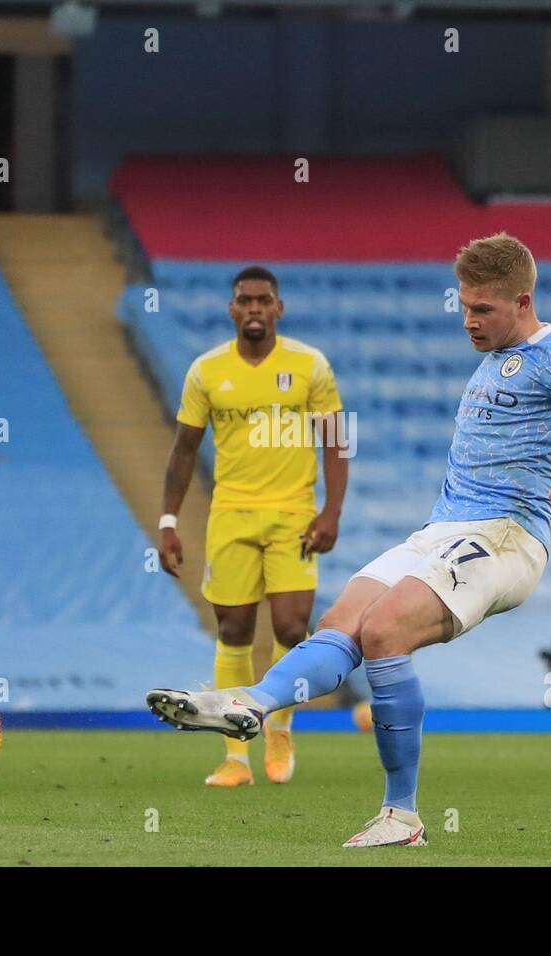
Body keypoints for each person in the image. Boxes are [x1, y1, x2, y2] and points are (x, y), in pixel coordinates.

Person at [147, 234, 551, 845]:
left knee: (383, 633)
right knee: (343, 620)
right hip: (441, 529)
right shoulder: (495, 358)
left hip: (506, 535)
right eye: (463, 306)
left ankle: (401, 816)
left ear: (523, 301)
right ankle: (251, 702)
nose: (468, 321)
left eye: (483, 309)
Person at [158, 266, 348, 786]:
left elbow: (334, 441)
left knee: (290, 627)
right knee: (233, 629)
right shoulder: (206, 371)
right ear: (233, 310)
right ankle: (235, 757)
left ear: (278, 308)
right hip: (232, 514)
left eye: (264, 299)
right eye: (245, 300)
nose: (255, 308)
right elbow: (182, 452)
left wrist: (330, 511)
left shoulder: (310, 365)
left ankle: (280, 727)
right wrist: (169, 521)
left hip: (293, 514)